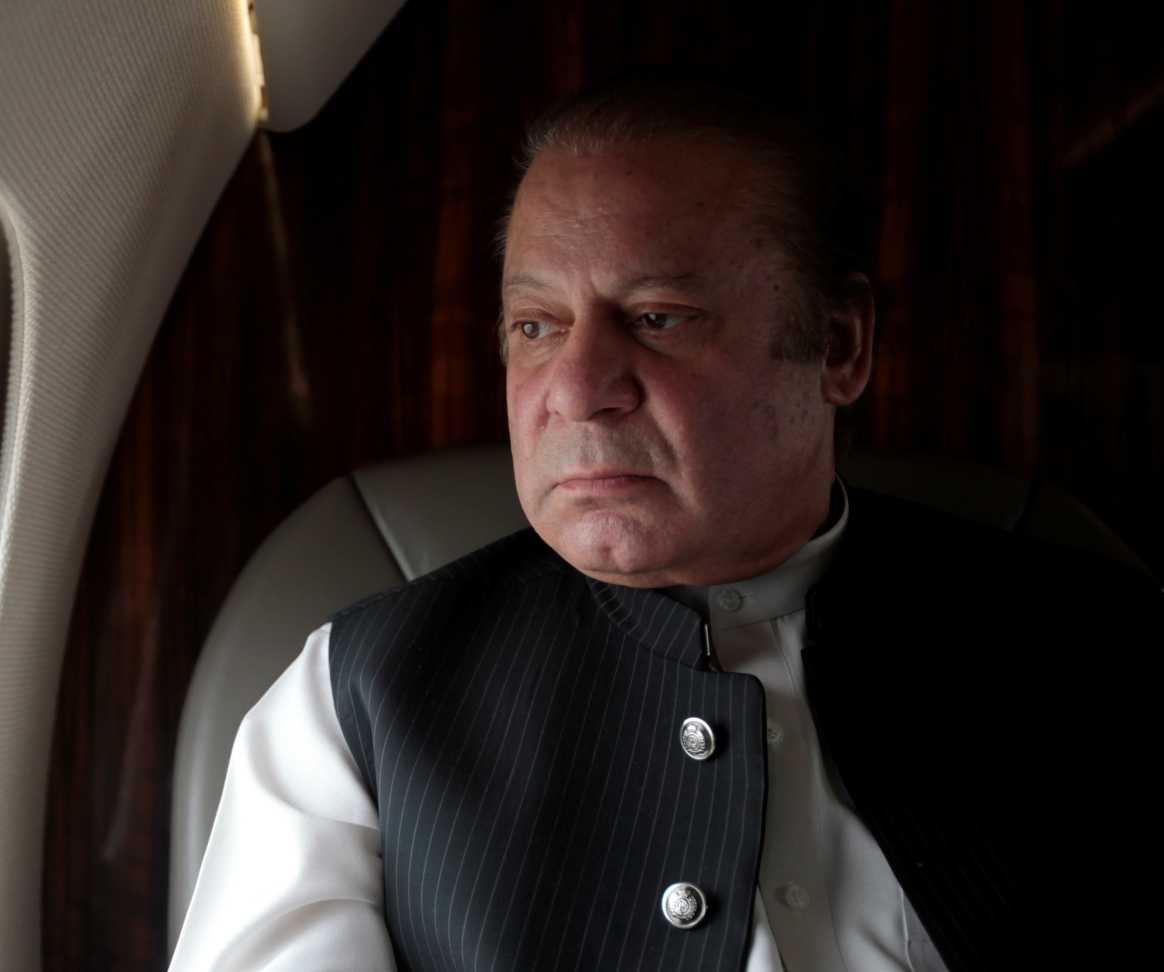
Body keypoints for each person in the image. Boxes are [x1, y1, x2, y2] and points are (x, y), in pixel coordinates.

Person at [169, 78, 1159, 972]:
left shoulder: (1110, 658)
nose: (579, 390)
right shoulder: (353, 698)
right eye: (535, 326)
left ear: (841, 347)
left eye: (659, 317)